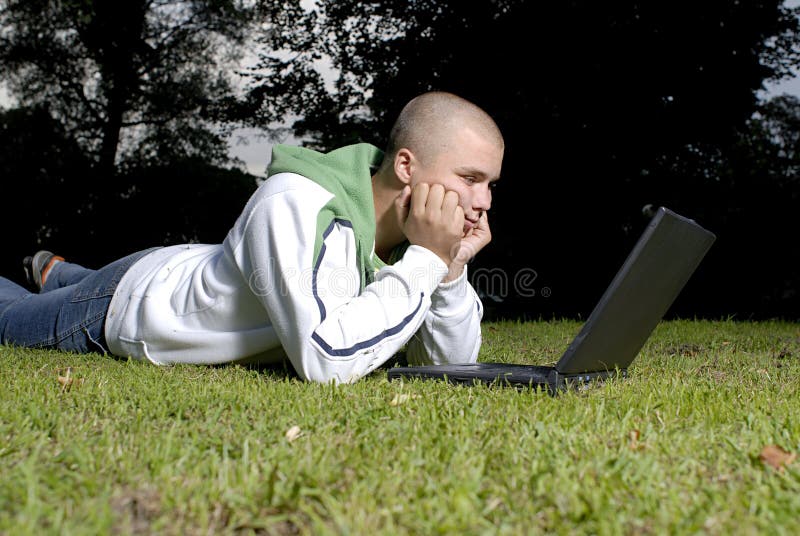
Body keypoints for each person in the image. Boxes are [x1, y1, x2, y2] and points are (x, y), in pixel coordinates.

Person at [0, 91, 504, 383]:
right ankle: (63, 280)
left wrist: (447, 270)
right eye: (469, 178)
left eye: (490, 185)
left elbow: (451, 368)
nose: (482, 203)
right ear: (405, 167)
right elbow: (324, 360)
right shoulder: (295, 202)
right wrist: (424, 261)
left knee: (69, 282)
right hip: (132, 302)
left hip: (192, 274)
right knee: (10, 319)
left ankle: (57, 272)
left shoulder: (415, 237)